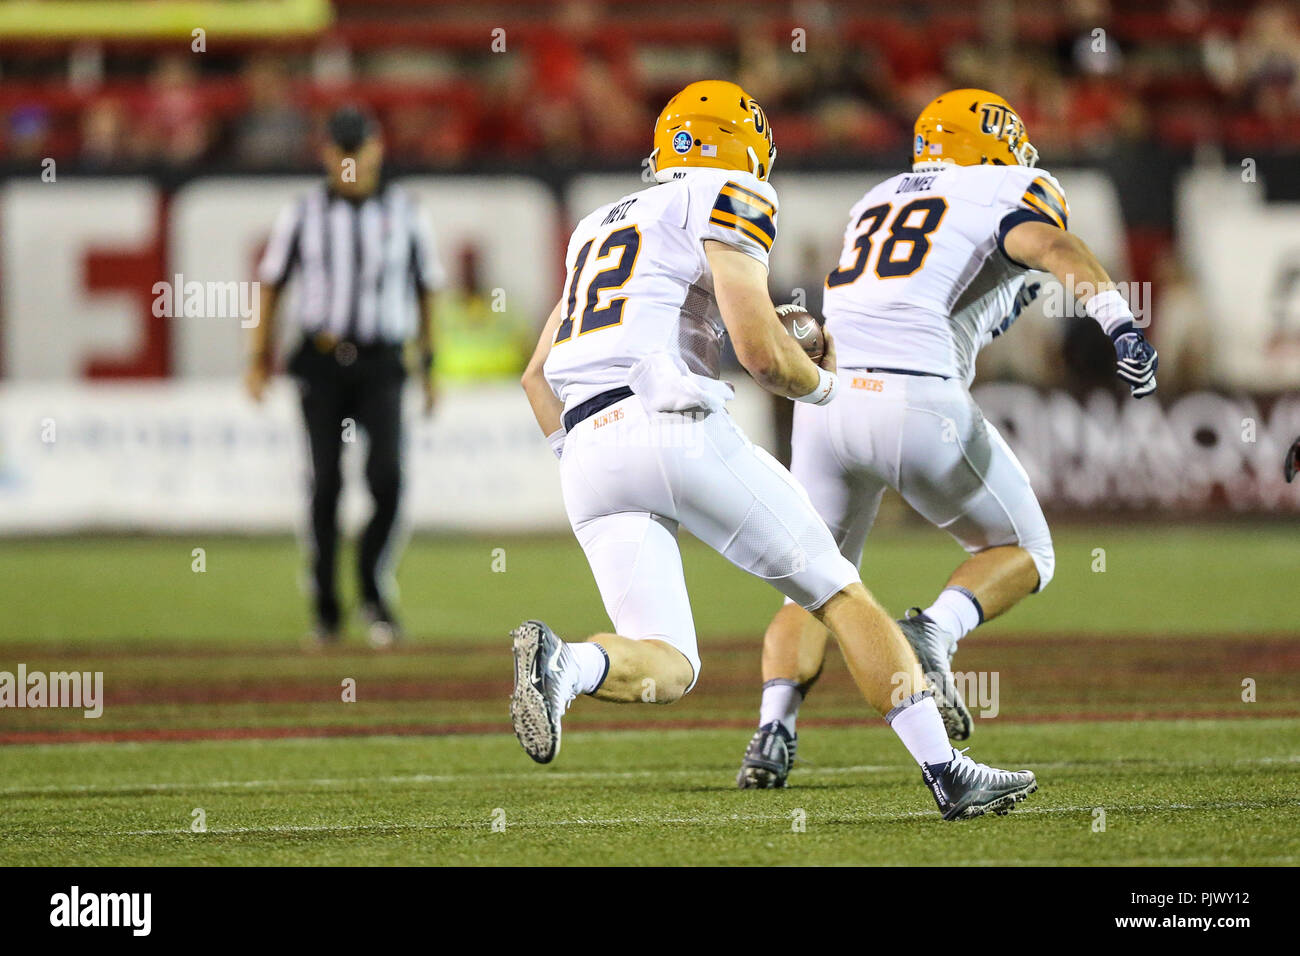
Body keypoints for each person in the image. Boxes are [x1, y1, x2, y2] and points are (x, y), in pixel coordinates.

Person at [513, 80, 1037, 821]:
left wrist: (584, 456)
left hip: (587, 454)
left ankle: (567, 665)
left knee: (670, 660)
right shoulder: (727, 192)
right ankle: (948, 772)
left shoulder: (596, 223)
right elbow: (763, 355)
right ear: (744, 143)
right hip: (670, 424)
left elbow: (536, 377)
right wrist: (825, 388)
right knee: (839, 590)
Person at [737, 88, 1158, 788]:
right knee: (1025, 550)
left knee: (817, 584)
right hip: (914, 400)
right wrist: (1119, 320)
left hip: (825, 401)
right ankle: (936, 629)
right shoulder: (1009, 186)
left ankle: (772, 730)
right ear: (991, 141)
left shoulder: (877, 197)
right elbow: (1052, 246)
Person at [247, 106, 444, 648]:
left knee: (387, 478)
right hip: (322, 358)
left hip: (383, 359)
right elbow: (271, 283)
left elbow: (428, 289)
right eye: (342, 149)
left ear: (377, 149)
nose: (351, 160)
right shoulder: (303, 212)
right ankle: (327, 607)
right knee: (326, 483)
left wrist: (431, 365)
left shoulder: (407, 212)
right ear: (328, 153)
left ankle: (373, 589)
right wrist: (258, 356)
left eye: (359, 148)